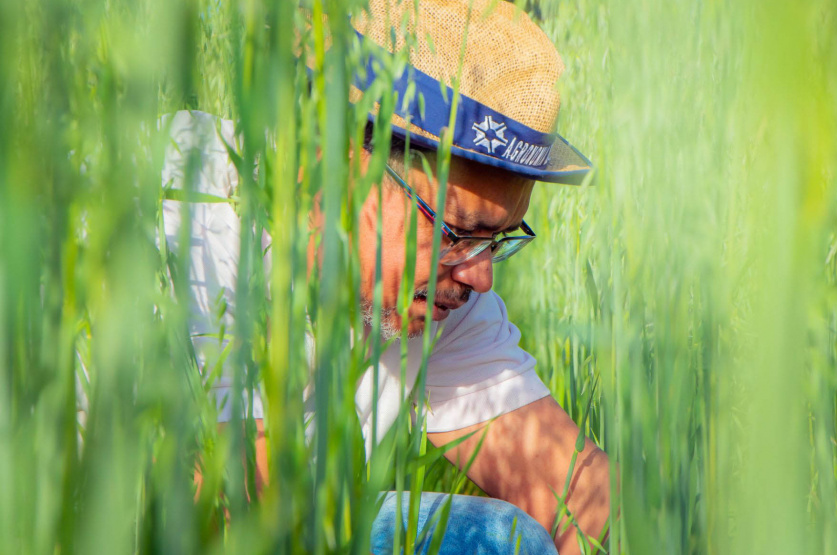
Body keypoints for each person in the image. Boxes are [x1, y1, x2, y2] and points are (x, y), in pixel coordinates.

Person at [161, 1, 609, 553]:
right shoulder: (191, 224)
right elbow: (235, 522)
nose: (481, 277)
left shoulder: (438, 293)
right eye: (456, 231)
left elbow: (577, 494)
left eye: (497, 239)